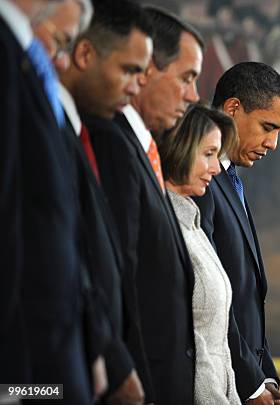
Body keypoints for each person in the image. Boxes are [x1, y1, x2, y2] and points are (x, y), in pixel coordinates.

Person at [86, 6, 204, 404]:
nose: (194, 95)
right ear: (150, 68)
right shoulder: (112, 142)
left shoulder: (144, 148)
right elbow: (120, 279)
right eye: (187, 77)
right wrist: (130, 374)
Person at [39, 0, 153, 402]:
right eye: (130, 70)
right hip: (40, 374)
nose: (139, 86)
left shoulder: (79, 131)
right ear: (85, 53)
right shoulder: (43, 126)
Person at [0, 0, 89, 402]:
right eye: (59, 41)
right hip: (19, 349)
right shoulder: (9, 54)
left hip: (48, 339)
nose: (63, 61)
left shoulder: (25, 62)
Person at [193, 61, 280, 405]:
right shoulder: (200, 180)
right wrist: (250, 383)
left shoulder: (229, 178)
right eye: (268, 126)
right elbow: (207, 294)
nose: (273, 143)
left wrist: (264, 375)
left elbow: (245, 294)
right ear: (233, 108)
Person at [157, 103, 241, 405]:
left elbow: (218, 343)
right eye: (208, 154)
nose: (217, 168)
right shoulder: (164, 229)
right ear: (181, 148)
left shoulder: (194, 225)